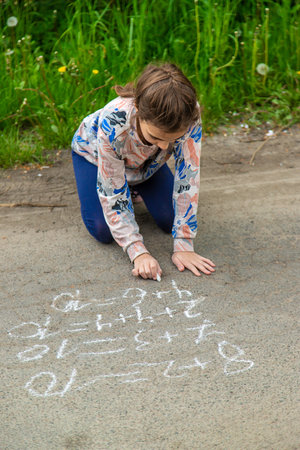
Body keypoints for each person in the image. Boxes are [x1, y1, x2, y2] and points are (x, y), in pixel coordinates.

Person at [71, 62, 215, 281]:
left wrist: (184, 244)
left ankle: (134, 188)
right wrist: (138, 251)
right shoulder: (114, 121)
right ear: (138, 110)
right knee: (103, 230)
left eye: (173, 140)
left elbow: (189, 175)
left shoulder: (188, 115)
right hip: (93, 156)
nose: (166, 147)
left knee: (169, 220)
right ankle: (120, 189)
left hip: (147, 163)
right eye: (156, 137)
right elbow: (112, 191)